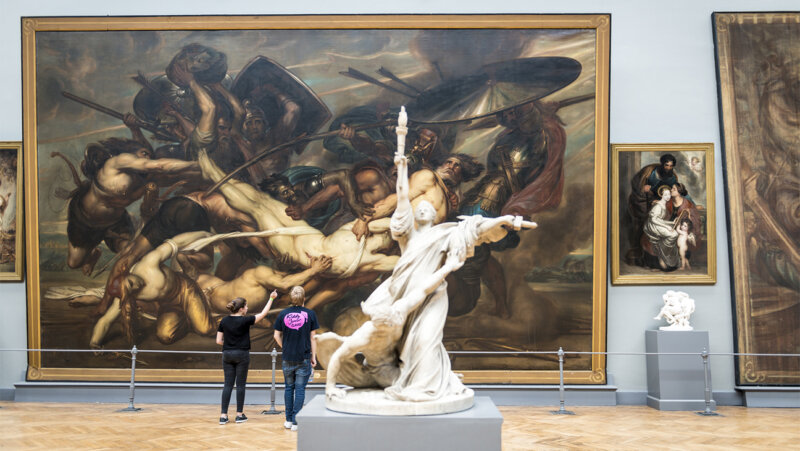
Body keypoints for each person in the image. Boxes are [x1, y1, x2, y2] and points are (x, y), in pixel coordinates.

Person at [217, 291, 277, 425]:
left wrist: (228, 344)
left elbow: (218, 340)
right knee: (240, 385)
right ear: (241, 309)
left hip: (227, 354)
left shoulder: (224, 321)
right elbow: (263, 314)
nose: (248, 309)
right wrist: (271, 299)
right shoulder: (246, 320)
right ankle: (239, 415)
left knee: (227, 384)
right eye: (246, 306)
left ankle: (223, 415)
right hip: (242, 354)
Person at [273, 286, 318, 432]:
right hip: (303, 358)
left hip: (287, 357)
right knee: (300, 390)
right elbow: (313, 338)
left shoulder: (283, 314)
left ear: (291, 299)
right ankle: (295, 422)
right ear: (304, 298)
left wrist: (284, 347)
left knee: (288, 388)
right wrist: (314, 356)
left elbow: (276, 335)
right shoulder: (310, 314)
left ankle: (287, 420)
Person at [642, 185, 680, 271]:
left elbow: (660, 220)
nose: (668, 196)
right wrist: (667, 226)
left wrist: (671, 223)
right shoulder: (658, 206)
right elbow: (654, 220)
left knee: (674, 233)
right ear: (661, 195)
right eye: (665, 194)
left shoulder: (664, 205)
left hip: (658, 223)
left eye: (669, 194)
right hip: (652, 226)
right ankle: (662, 252)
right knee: (673, 235)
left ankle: (665, 253)